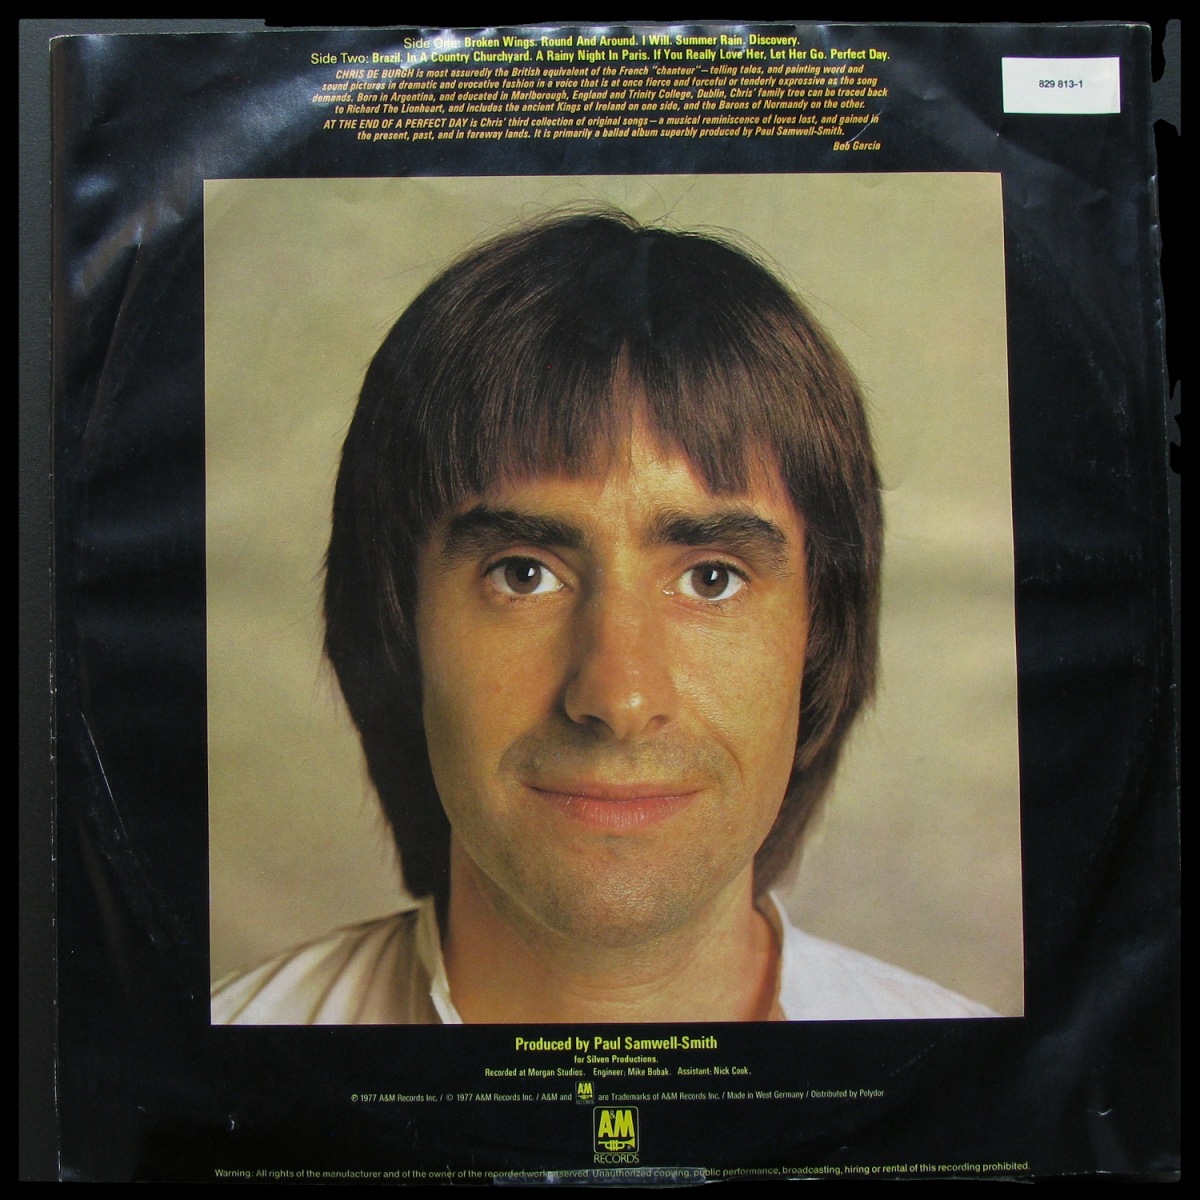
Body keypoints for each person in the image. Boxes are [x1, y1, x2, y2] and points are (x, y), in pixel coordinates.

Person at [211, 210, 994, 1023]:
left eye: (712, 579)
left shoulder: (977, 1083)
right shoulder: (213, 1070)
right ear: (397, 627)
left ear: (819, 641)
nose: (619, 699)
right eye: (523, 574)